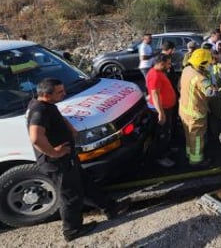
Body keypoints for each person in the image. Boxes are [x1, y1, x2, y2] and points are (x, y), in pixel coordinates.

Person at [27, 78, 128, 242]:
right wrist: (54, 153)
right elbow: (36, 138)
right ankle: (72, 230)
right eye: (60, 92)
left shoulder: (46, 105)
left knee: (86, 184)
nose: (64, 94)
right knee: (70, 196)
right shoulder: (40, 110)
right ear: (46, 94)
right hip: (58, 163)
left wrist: (69, 128)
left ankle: (111, 208)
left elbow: (57, 117)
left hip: (68, 158)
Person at [179, 49, 220, 166]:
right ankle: (196, 160)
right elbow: (212, 93)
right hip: (195, 112)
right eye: (208, 63)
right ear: (202, 64)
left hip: (184, 109)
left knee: (189, 133)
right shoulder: (200, 79)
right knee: (197, 138)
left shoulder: (187, 69)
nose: (210, 65)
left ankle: (189, 153)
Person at [146, 54, 178, 169]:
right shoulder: (155, 75)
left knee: (166, 131)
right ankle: (161, 156)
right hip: (162, 109)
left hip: (166, 108)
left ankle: (166, 150)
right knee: (162, 134)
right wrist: (161, 112)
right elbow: (155, 94)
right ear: (161, 63)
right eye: (168, 63)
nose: (169, 66)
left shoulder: (159, 73)